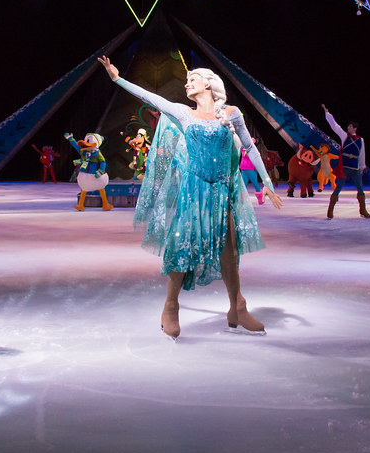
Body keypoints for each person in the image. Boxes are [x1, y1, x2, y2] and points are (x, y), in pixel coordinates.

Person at [97, 55, 282, 340]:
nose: (187, 84)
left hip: (222, 191)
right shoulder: (184, 113)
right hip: (193, 192)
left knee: (229, 252)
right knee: (182, 246)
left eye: (192, 79)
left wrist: (267, 181)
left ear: (208, 82)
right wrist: (117, 78)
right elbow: (151, 96)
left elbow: (250, 148)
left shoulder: (231, 113)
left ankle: (238, 307)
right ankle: (171, 306)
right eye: (185, 81)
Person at [322, 104, 370, 218]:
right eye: (348, 126)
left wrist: (362, 167)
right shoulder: (344, 136)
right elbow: (335, 126)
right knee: (338, 187)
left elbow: (362, 154)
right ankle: (330, 210)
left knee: (360, 188)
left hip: (355, 168)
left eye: (350, 126)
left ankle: (363, 210)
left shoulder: (361, 140)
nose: (348, 127)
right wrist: (327, 113)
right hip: (344, 167)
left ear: (354, 128)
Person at [64, 132, 113, 210]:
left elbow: (103, 162)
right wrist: (71, 139)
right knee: (84, 189)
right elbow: (76, 146)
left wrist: (101, 171)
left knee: (101, 188)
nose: (86, 143)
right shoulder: (83, 151)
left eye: (88, 141)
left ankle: (105, 204)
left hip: (95, 175)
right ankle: (80, 205)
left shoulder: (97, 153)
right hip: (85, 174)